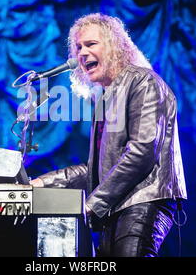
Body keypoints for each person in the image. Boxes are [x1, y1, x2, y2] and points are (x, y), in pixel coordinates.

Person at [30, 13, 187, 257]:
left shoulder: (143, 82)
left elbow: (142, 152)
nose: (81, 53)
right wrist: (41, 183)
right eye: (78, 47)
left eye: (91, 44)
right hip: (117, 206)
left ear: (115, 46)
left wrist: (92, 205)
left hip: (143, 200)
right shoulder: (105, 98)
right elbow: (95, 169)